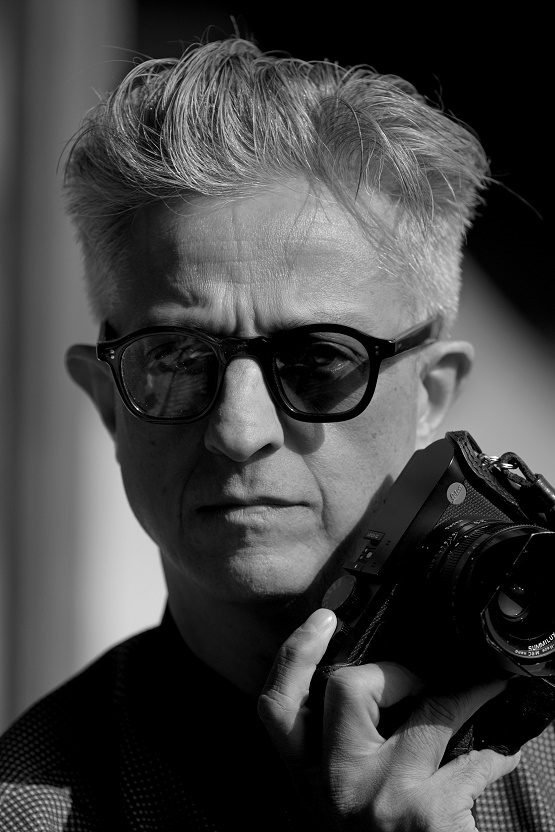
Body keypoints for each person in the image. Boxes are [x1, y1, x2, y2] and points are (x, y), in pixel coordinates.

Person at [0, 36, 553, 831]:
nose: (238, 429)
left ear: (432, 392)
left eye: (318, 360)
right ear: (107, 401)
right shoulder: (29, 810)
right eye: (176, 359)